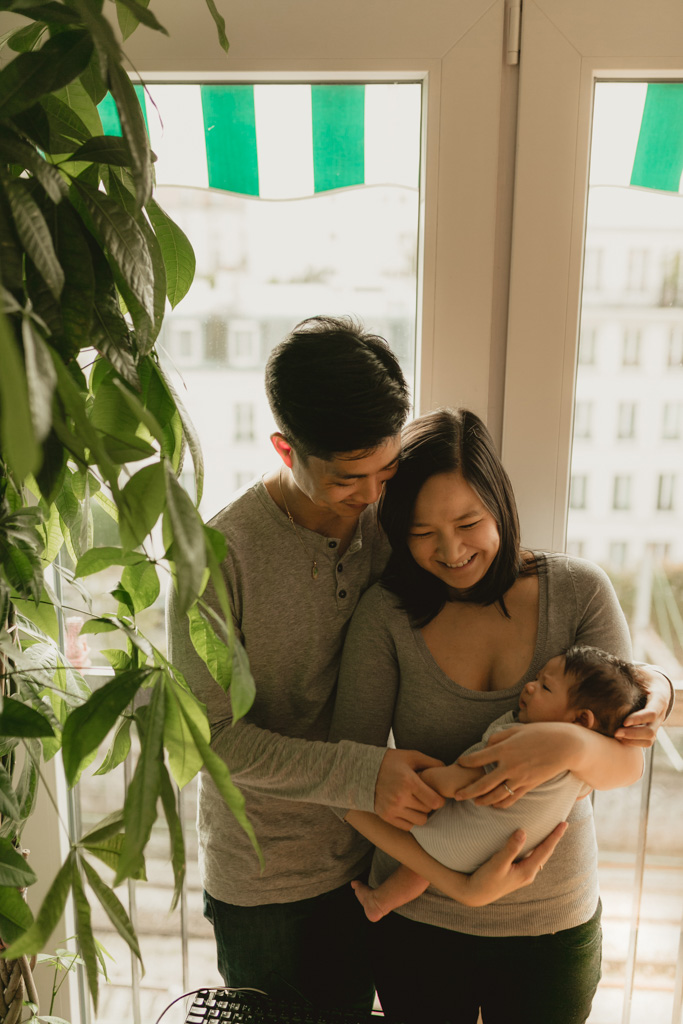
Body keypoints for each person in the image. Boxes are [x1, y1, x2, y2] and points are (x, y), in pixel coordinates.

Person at [166, 321, 565, 1013]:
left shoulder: (396, 525)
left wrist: (645, 684)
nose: (376, 495)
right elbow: (210, 739)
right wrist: (361, 774)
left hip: (386, 859)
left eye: (387, 470)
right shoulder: (216, 559)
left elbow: (500, 577)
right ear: (285, 449)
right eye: (350, 480)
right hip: (271, 881)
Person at [330, 407, 673, 1024]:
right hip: (418, 926)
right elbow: (348, 786)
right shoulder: (387, 615)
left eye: (468, 521)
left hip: (551, 926)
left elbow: (624, 763)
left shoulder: (579, 592)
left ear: (502, 506)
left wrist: (565, 749)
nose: (452, 550)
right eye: (421, 530)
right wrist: (457, 883)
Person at [351, 645, 649, 922]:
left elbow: (462, 782)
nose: (530, 686)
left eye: (545, 686)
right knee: (423, 867)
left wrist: (423, 777)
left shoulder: (524, 743)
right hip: (493, 857)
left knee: (416, 828)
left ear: (582, 720)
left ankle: (380, 898)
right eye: (535, 678)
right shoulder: (583, 772)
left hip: (452, 839)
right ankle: (380, 901)